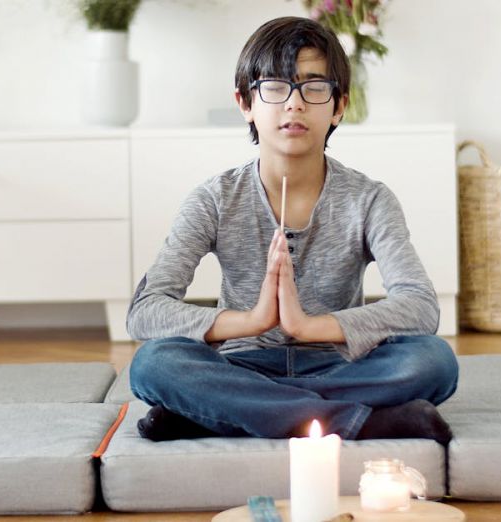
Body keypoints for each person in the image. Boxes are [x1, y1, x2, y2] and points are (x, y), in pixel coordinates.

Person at [126, 16, 458, 446]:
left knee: (433, 361)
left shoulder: (370, 199)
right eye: (275, 87)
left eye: (313, 88)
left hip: (339, 365)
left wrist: (310, 326)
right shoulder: (213, 198)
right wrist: (251, 321)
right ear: (245, 102)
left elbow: (420, 307)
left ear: (339, 105)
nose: (294, 104)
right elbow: (145, 311)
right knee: (154, 363)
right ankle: (360, 422)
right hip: (241, 364)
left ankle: (223, 413)